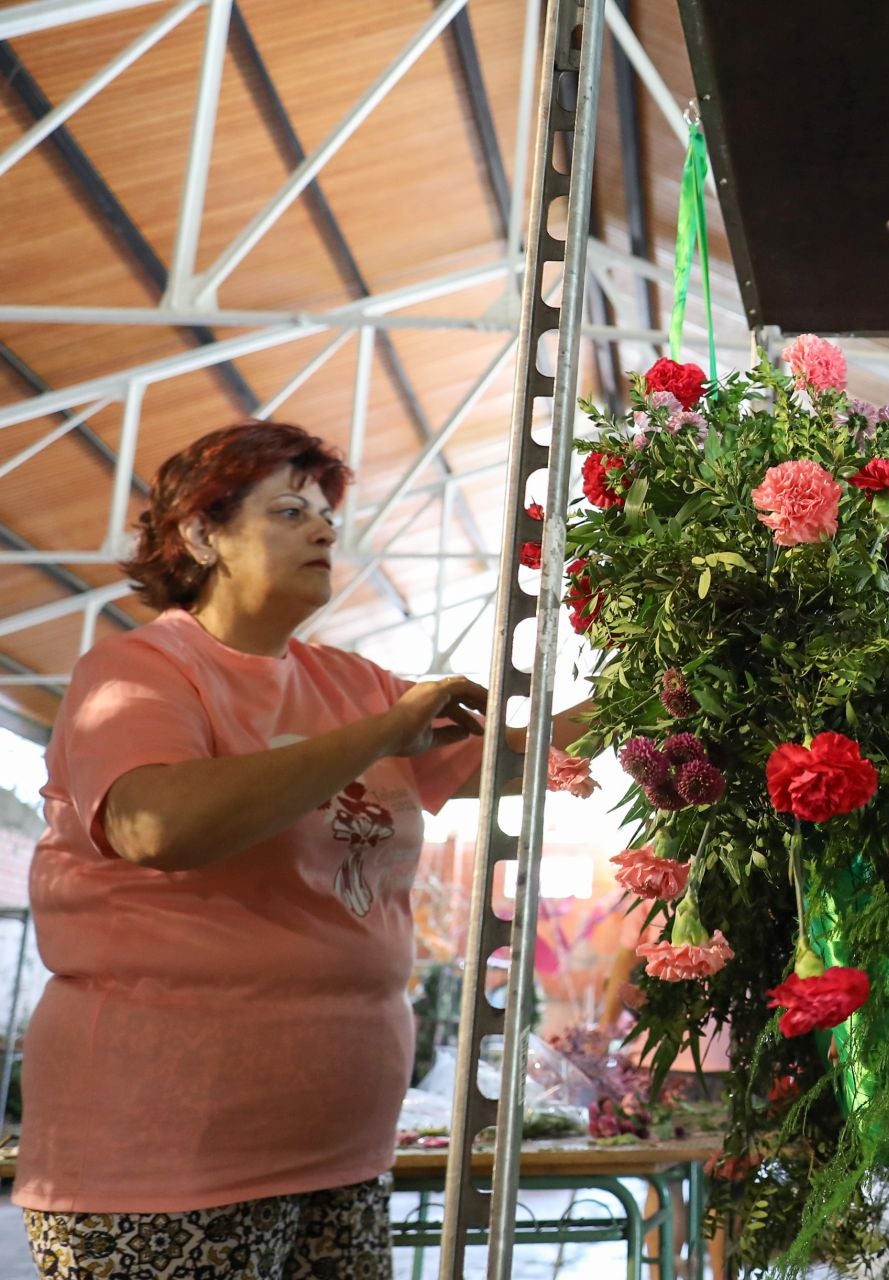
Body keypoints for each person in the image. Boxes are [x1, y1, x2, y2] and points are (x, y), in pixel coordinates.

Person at [16, 422, 587, 1280]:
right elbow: (155, 827)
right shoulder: (140, 672)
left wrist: (670, 685)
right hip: (165, 1164)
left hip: (341, 1155)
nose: (324, 530)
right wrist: (389, 730)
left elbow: (526, 754)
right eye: (289, 510)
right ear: (201, 534)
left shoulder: (349, 684)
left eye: (326, 514)